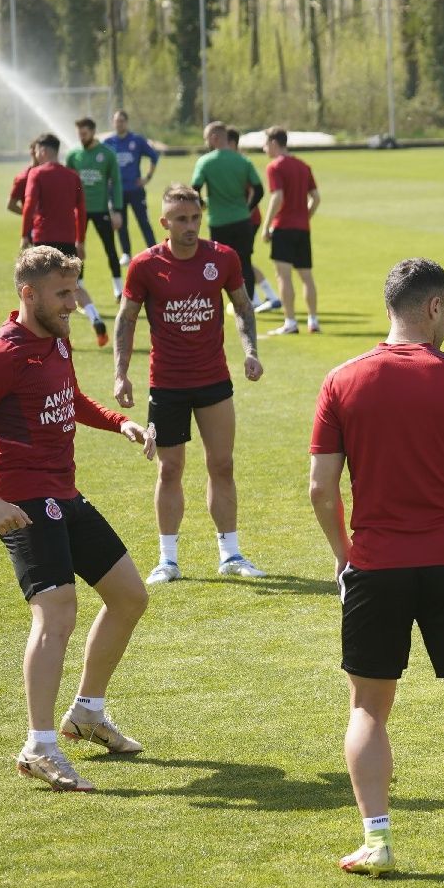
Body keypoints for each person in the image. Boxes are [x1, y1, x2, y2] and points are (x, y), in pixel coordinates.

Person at [310, 258, 444, 876]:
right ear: (433, 308)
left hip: (375, 566)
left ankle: (377, 842)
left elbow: (321, 491)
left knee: (368, 709)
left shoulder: (342, 381)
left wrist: (344, 558)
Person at [0, 247, 156, 792]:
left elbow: (70, 399)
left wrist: (119, 423)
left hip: (64, 493)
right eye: (63, 294)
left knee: (131, 595)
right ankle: (39, 745)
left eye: (74, 291)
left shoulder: (57, 340)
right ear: (28, 293)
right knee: (57, 613)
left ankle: (87, 711)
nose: (73, 303)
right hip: (23, 500)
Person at [112, 185, 267, 585]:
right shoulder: (146, 265)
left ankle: (230, 554)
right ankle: (168, 560)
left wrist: (250, 351)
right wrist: (120, 373)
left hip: (214, 379)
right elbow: (127, 318)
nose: (190, 226)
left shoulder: (222, 257)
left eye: (195, 217)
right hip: (166, 384)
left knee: (223, 464)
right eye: (181, 219)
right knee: (170, 469)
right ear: (164, 223)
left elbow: (243, 307)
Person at [19, 133, 109, 347]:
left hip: (44, 240)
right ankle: (95, 317)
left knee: (42, 289)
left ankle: (52, 336)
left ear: (44, 150)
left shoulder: (37, 174)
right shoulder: (72, 176)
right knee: (73, 286)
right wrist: (81, 240)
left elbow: (29, 205)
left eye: (37, 151)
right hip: (68, 240)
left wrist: (24, 234)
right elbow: (82, 209)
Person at [191, 121, 279, 310]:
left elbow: (195, 188)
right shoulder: (242, 161)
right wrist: (247, 208)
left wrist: (202, 205)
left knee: (217, 264)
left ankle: (220, 303)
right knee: (244, 262)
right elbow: (259, 189)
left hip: (218, 220)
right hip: (242, 220)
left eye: (207, 139)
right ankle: (246, 303)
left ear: (214, 138)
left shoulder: (205, 162)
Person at [261, 128, 321, 335]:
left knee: (283, 277)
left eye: (266, 144)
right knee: (306, 276)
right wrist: (306, 216)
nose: (264, 148)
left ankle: (290, 322)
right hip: (302, 228)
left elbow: (277, 196)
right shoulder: (303, 166)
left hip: (283, 227)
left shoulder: (275, 167)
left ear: (274, 143)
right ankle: (313, 320)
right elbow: (316, 198)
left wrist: (266, 225)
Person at [65, 117, 125, 298]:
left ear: (92, 132)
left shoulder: (107, 154)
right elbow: (67, 184)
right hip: (79, 211)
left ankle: (118, 289)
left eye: (84, 133)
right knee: (77, 249)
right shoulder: (73, 155)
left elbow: (116, 184)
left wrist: (117, 210)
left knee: (111, 249)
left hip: (101, 210)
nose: (81, 137)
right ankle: (79, 287)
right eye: (79, 134)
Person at [104, 109, 161, 266]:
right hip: (116, 191)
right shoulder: (108, 142)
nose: (119, 123)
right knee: (121, 223)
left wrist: (147, 178)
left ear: (126, 122)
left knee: (143, 221)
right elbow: (101, 163)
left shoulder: (137, 140)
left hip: (135, 190)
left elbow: (154, 157)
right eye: (116, 121)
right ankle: (126, 254)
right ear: (113, 123)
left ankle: (154, 250)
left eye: (122, 121)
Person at [7, 141, 39, 215]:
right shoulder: (24, 178)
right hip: (35, 226)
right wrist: (33, 217)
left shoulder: (52, 175)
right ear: (32, 153)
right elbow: (11, 205)